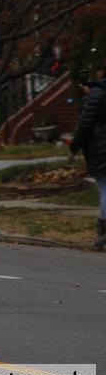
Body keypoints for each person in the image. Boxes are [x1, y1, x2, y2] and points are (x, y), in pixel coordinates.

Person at [69, 72, 106, 251]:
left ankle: (104, 232)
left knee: (105, 188)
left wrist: (74, 147)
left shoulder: (95, 96)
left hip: (101, 148)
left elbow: (84, 125)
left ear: (86, 86)